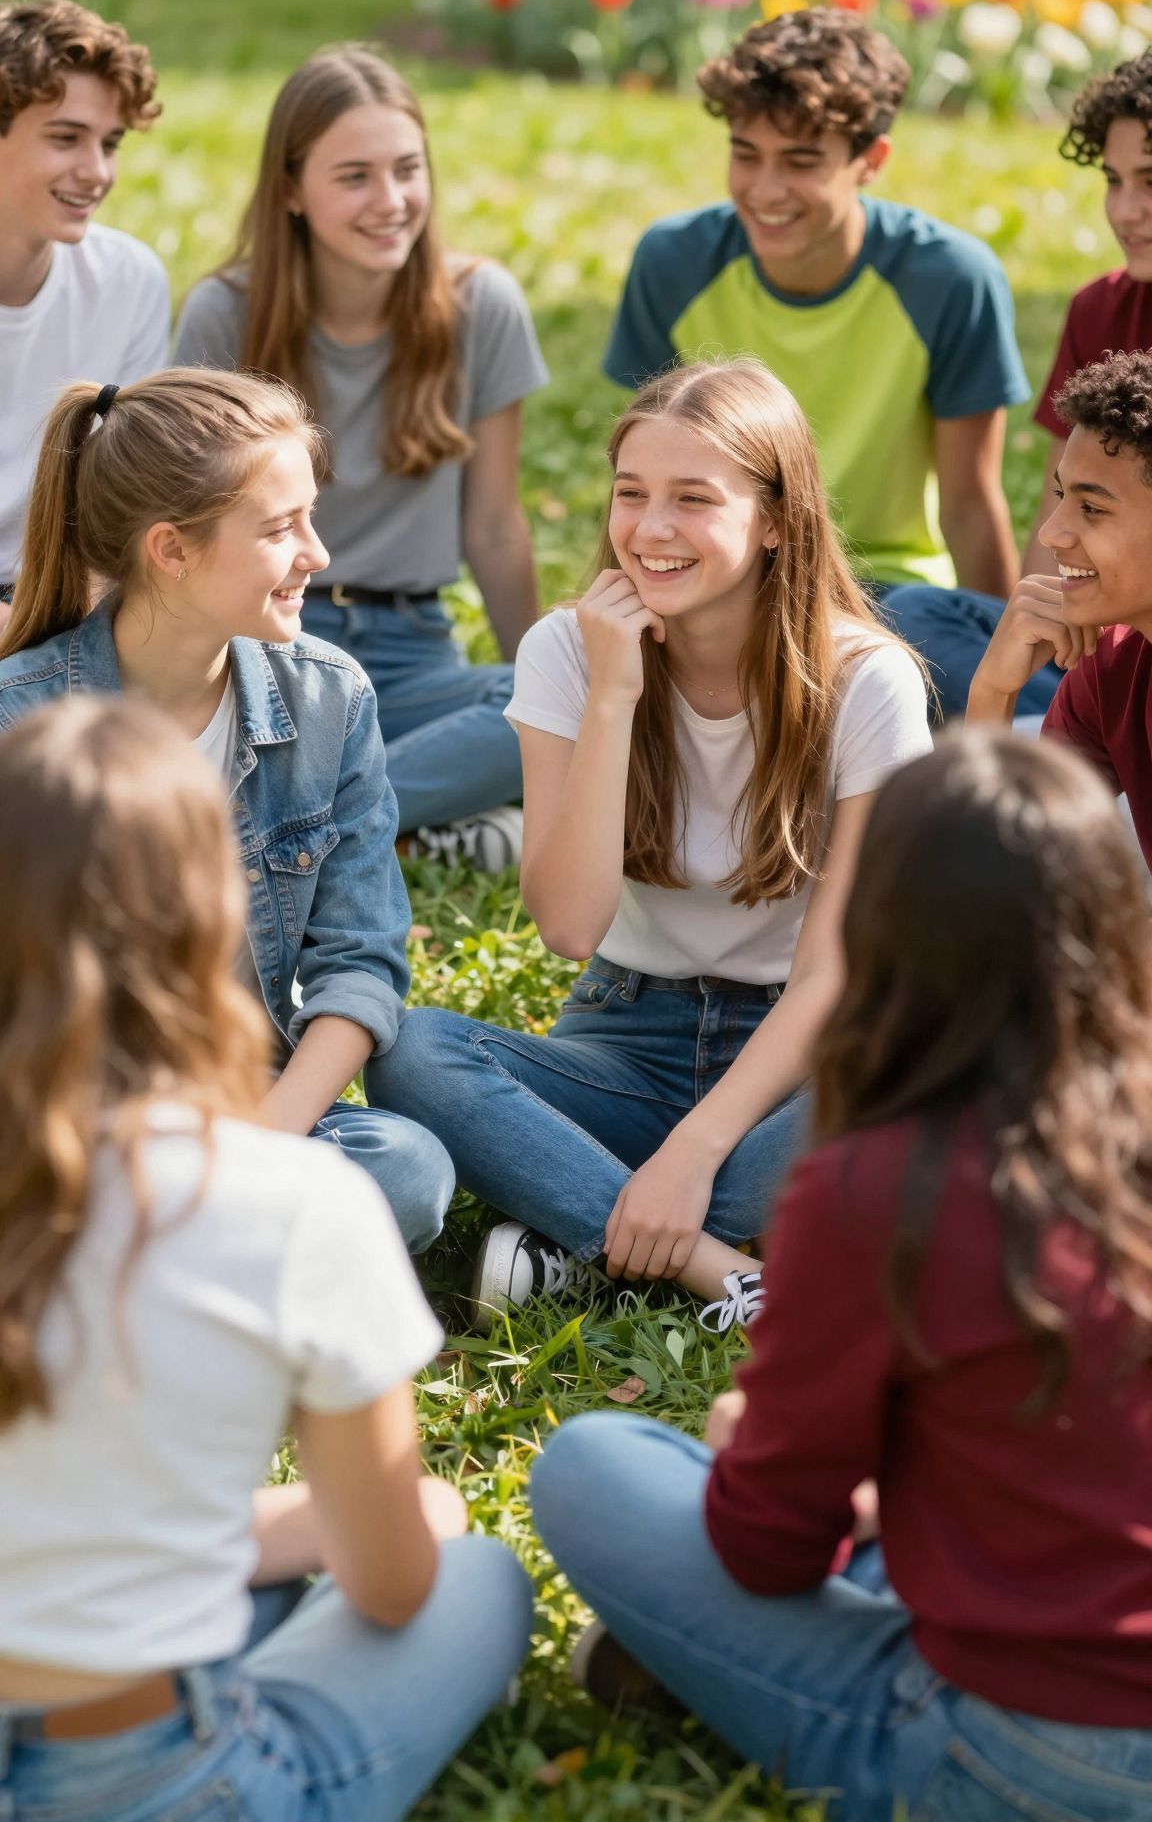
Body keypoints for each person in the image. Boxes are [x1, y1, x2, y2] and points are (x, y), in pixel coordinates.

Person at [533, 726, 1152, 1822]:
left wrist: (751, 1451)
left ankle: (706, 1667)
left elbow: (768, 1549)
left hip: (1028, 1750)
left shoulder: (881, 1182)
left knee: (592, 1464)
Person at [0, 696, 531, 1822]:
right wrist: (358, 1522)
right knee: (473, 1573)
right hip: (146, 1773)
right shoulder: (292, 1204)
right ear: (207, 925)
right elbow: (392, 1585)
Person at [376, 359, 931, 1331]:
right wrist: (614, 696)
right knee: (415, 1049)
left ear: (773, 519)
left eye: (692, 499)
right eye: (631, 493)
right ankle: (718, 1266)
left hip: (801, 1052)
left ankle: (585, 1228)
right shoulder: (568, 652)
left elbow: (832, 974)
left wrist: (692, 1152)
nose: (650, 528)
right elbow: (568, 924)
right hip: (629, 1033)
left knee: (921, 1076)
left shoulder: (866, 681)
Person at [0, 369, 454, 1253]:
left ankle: (129, 1258)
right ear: (171, 550)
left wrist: (264, 1141)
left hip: (245, 1108)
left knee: (406, 1172)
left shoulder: (329, 700)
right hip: (57, 1120)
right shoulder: (21, 722)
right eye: (281, 528)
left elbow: (361, 961)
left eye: (310, 518)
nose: (317, 554)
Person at [604, 8, 1042, 721]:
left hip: (889, 595)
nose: (766, 189)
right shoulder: (674, 263)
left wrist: (1000, 664)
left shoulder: (950, 279)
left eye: (802, 161)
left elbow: (969, 500)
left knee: (934, 656)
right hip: (727, 578)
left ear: (871, 159)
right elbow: (641, 475)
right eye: (746, 154)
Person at [173, 44, 548, 868]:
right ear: (291, 191)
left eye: (407, 170)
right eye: (354, 177)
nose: (391, 201)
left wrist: (545, 690)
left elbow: (493, 525)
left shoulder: (481, 305)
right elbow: (190, 528)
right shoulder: (223, 316)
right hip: (270, 645)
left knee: (564, 702)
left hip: (414, 653)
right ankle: (406, 828)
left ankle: (279, 830)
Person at [0, 0, 169, 626]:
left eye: (111, 142)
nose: (97, 171)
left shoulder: (129, 282)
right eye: (66, 138)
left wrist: (62, 625)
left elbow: (130, 502)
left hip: (62, 608)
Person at [969, 349, 1152, 871]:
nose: (1051, 533)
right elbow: (1004, 874)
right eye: (1060, 495)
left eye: (1091, 507)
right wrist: (992, 692)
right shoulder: (1111, 666)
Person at [1025, 47, 1152, 576]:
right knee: (919, 607)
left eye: (1150, 181)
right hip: (1091, 613)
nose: (1124, 211)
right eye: (1113, 180)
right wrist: (1029, 617)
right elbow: (1057, 516)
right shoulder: (1097, 311)